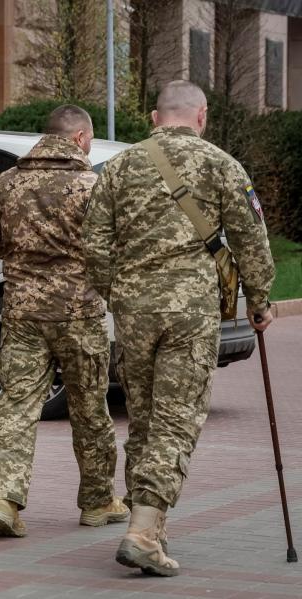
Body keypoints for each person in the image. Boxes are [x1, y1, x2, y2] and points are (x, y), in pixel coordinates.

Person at [83, 80, 275, 576]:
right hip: (190, 308)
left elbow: (95, 242)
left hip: (133, 308)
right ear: (202, 116)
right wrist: (259, 299)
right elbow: (251, 236)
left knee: (144, 418)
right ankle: (144, 530)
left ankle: (147, 521)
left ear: (153, 116)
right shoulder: (220, 164)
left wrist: (113, 291)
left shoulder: (118, 166)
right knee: (178, 418)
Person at [0, 105, 128, 538]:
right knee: (89, 408)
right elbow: (113, 245)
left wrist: (20, 256)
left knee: (16, 407)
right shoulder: (94, 186)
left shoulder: (9, 182)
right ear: (79, 139)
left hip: (21, 313)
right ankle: (97, 502)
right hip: (80, 314)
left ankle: (5, 499)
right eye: (90, 140)